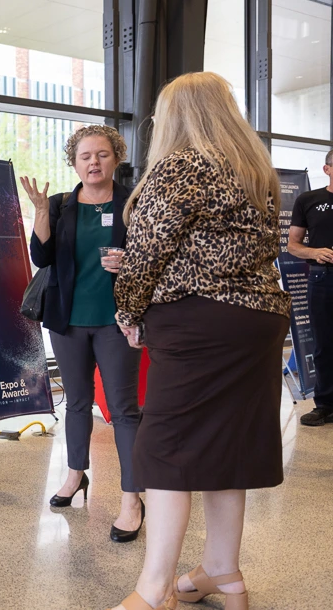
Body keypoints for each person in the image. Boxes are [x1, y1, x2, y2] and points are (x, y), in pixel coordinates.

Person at [108, 72, 290, 610]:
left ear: (175, 117)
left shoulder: (181, 166)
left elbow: (146, 251)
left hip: (199, 321)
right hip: (257, 322)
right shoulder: (256, 172)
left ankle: (155, 587)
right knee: (224, 446)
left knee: (164, 449)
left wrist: (129, 310)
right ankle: (222, 572)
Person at [21, 124, 144, 543]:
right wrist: (39, 213)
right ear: (74, 162)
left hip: (117, 320)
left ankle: (132, 497)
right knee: (76, 402)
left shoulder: (133, 203)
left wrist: (131, 261)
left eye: (102, 155)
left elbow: (153, 253)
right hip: (68, 320)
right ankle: (76, 474)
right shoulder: (59, 205)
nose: (94, 162)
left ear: (117, 158)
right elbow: (41, 256)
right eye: (86, 156)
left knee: (125, 410)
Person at [287, 148, 333, 426]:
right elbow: (293, 244)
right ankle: (325, 403)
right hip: (323, 278)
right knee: (324, 343)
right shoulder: (308, 200)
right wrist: (314, 252)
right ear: (327, 168)